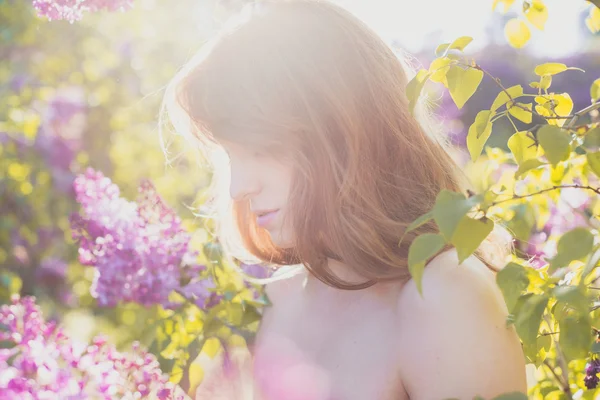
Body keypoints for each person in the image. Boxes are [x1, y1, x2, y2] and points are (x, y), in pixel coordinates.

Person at [163, 0, 528, 398]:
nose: (238, 188)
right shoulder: (279, 301)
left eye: (262, 149)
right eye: (229, 155)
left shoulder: (443, 297)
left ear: (344, 135)